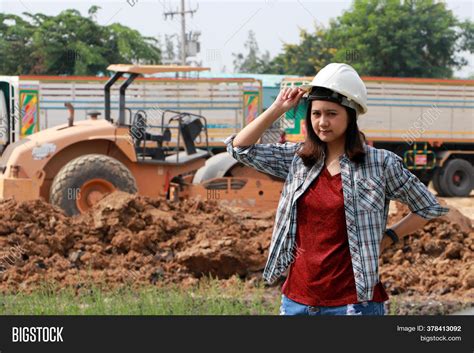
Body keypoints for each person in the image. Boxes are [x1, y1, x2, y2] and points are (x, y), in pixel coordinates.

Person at [224, 63, 450, 316]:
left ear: (350, 115)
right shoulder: (298, 159)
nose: (322, 122)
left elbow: (429, 206)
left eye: (332, 113)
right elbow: (239, 149)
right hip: (298, 301)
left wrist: (390, 237)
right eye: (316, 113)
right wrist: (278, 108)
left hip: (353, 304)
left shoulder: (379, 164)